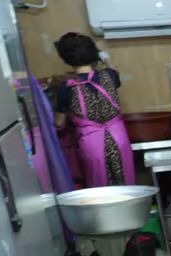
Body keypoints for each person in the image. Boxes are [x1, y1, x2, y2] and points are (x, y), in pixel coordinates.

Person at [53, 33, 134, 188]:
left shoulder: (66, 87)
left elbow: (59, 123)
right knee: (127, 184)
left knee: (100, 188)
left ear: (65, 59)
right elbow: (113, 68)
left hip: (92, 143)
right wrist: (104, 57)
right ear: (94, 54)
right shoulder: (110, 76)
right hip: (119, 137)